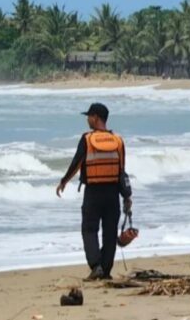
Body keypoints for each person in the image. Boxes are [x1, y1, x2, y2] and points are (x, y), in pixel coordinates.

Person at [56, 103, 132, 280]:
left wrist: (64, 181)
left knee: (89, 230)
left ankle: (96, 266)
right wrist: (127, 196)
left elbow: (77, 163)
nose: (87, 119)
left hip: (93, 193)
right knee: (110, 233)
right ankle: (105, 271)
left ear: (96, 117)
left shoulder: (87, 139)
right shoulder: (118, 141)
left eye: (89, 116)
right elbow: (121, 171)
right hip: (113, 193)